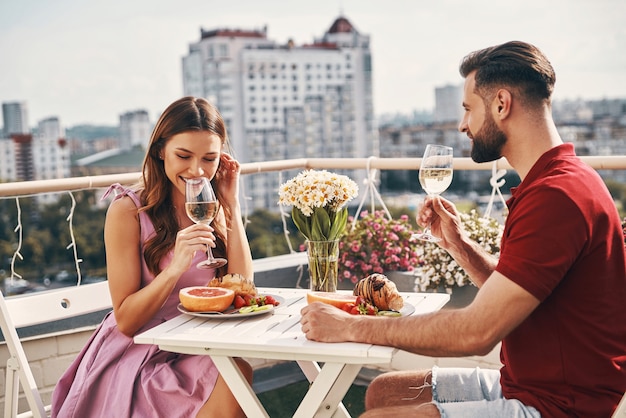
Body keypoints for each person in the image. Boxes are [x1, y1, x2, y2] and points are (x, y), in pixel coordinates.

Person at [300, 41, 626, 417]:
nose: (462, 125)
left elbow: (476, 332)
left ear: (502, 104)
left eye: (469, 109)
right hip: (529, 385)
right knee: (386, 393)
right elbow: (513, 296)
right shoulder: (557, 180)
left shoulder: (558, 196)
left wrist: (350, 326)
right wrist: (461, 245)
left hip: (562, 407)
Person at [52, 96, 254, 417]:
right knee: (231, 377)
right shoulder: (127, 211)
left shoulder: (209, 207)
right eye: (183, 156)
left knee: (236, 370)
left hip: (194, 345)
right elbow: (127, 321)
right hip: (139, 354)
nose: (197, 170)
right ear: (161, 151)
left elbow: (242, 287)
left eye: (209, 159)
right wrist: (174, 269)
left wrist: (232, 204)